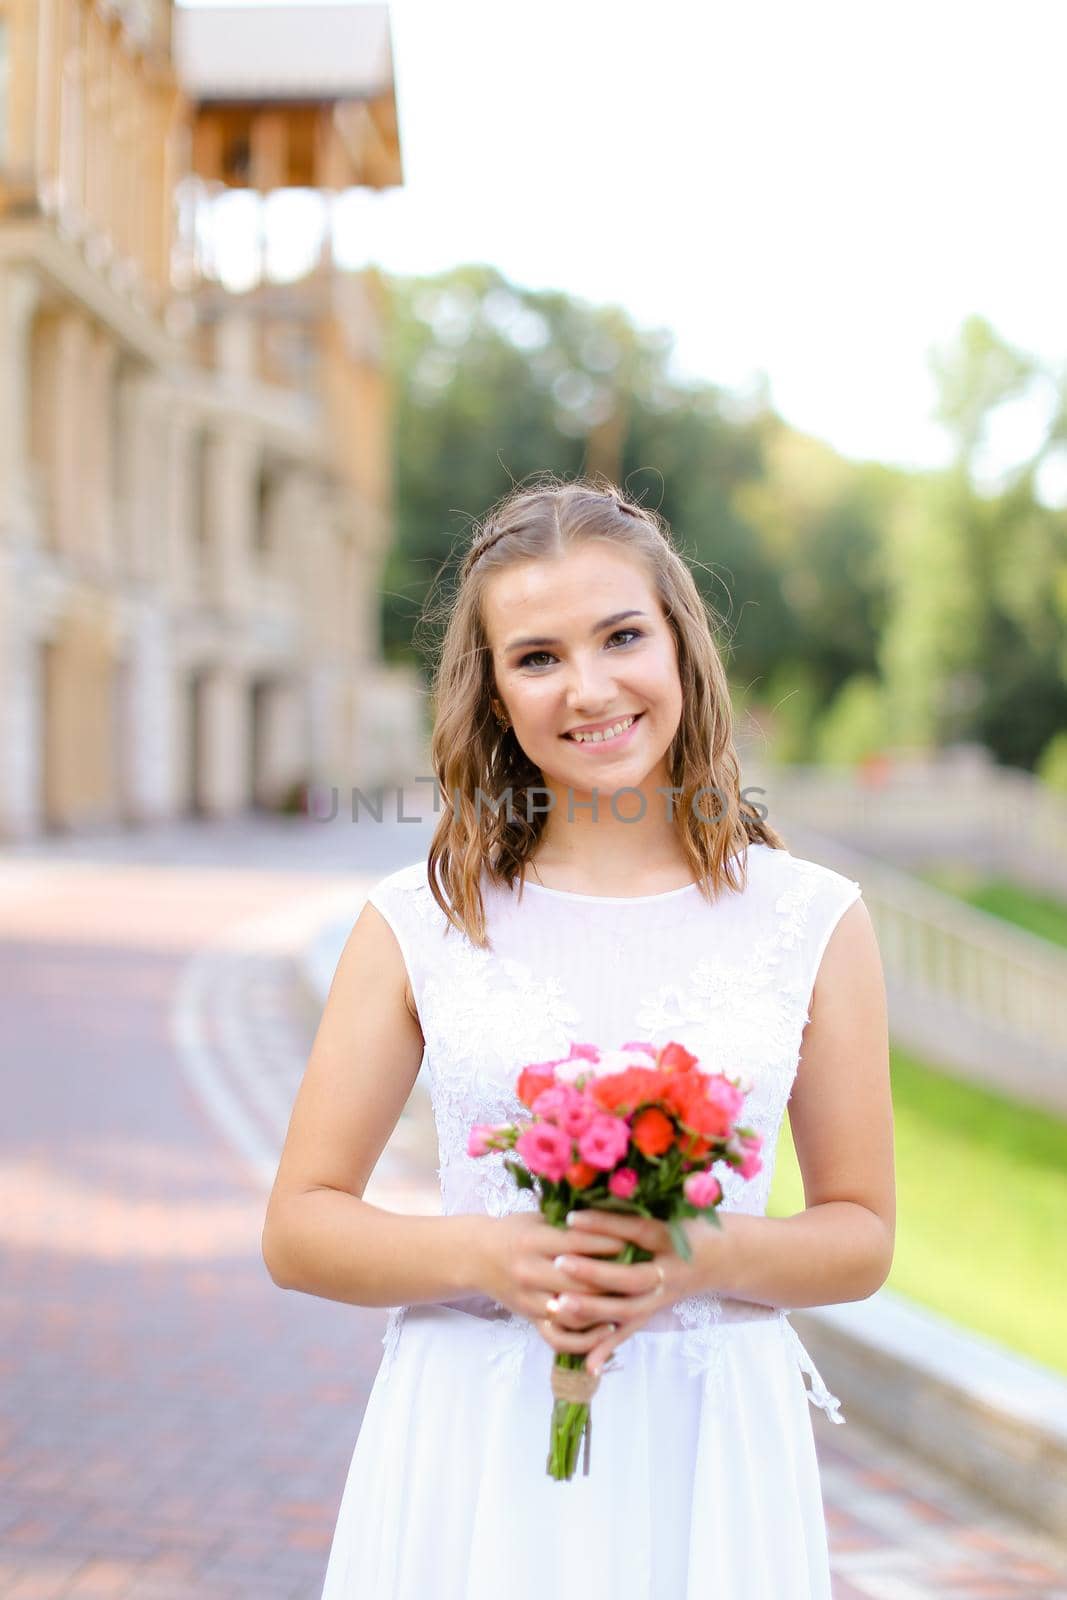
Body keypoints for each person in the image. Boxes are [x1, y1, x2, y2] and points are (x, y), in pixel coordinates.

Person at [262, 474, 895, 1598]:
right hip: (472, 1436)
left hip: (709, 1444)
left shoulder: (811, 919)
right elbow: (300, 1228)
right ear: (493, 690)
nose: (589, 687)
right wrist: (492, 1255)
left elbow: (859, 1236)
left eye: (620, 636)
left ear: (680, 650)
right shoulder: (417, 919)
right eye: (538, 656)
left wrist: (687, 1258)